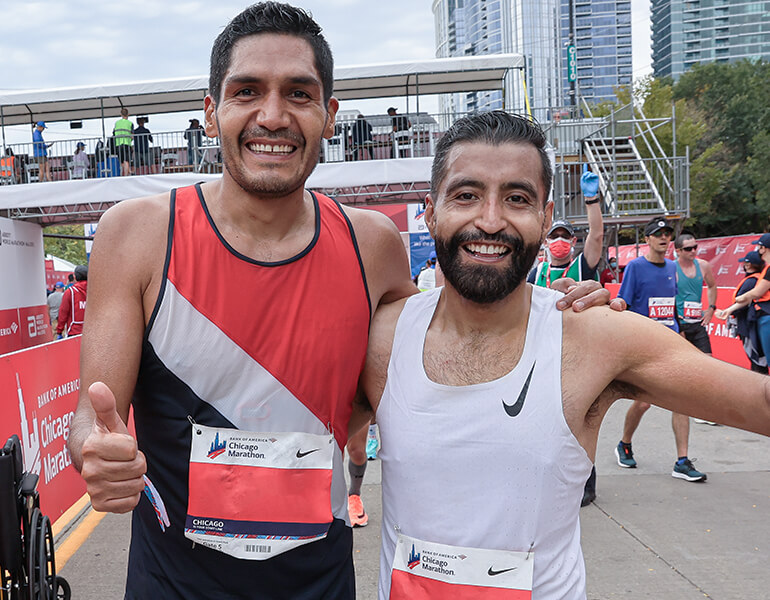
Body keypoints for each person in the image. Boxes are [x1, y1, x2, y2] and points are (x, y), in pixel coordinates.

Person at [66, 6, 610, 599]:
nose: (271, 116)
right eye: (247, 91)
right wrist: (95, 453)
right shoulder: (141, 234)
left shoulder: (371, 245)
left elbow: (443, 346)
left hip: (319, 586)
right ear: (210, 109)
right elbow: (92, 418)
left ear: (329, 116)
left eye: (298, 93)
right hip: (171, 586)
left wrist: (546, 311)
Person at [353, 111, 770, 600]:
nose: (490, 219)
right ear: (431, 211)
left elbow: (759, 401)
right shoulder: (382, 335)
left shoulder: (595, 336)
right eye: (466, 195)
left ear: (546, 217)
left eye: (517, 198)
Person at [528, 164, 603, 507]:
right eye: (553, 235)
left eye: (564, 236)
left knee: (582, 418)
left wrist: (592, 201)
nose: (559, 241)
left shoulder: (582, 268)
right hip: (543, 355)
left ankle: (587, 479)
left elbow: (598, 237)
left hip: (580, 352)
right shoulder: (537, 270)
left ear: (572, 242)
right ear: (545, 241)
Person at [612, 217, 707, 482]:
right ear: (647, 240)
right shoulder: (635, 267)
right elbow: (624, 299)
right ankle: (625, 443)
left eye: (667, 234)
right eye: (658, 234)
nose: (664, 238)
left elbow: (674, 302)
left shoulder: (673, 267)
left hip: (671, 345)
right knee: (643, 403)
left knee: (682, 400)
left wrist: (685, 327)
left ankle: (682, 461)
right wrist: (616, 307)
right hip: (643, 347)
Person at [674, 233, 718, 424]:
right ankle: (687, 408)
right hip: (679, 323)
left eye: (695, 247)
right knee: (685, 369)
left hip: (697, 322)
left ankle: (703, 412)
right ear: (678, 251)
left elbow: (712, 285)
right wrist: (676, 322)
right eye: (688, 249)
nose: (693, 251)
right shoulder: (671, 268)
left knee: (708, 366)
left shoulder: (703, 266)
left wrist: (711, 309)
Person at [716, 232, 770, 362]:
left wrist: (741, 297)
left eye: (760, 247)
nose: (759, 251)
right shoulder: (766, 269)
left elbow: (757, 293)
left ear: (764, 248)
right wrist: (729, 310)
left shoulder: (767, 271)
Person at [721, 251, 768, 374]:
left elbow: (744, 301)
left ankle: (761, 390)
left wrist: (730, 309)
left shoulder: (752, 281)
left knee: (757, 362)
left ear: (749, 265)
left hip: (750, 325)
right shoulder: (759, 279)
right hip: (753, 324)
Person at [56, 265, 88, 338]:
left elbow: (63, 312)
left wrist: (59, 331)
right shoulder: (95, 291)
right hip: (92, 331)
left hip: (74, 332)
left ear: (75, 277)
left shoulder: (70, 292)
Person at [113, 108, 134, 176]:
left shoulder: (117, 123)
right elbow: (132, 135)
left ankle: (127, 172)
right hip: (126, 143)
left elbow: (114, 133)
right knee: (126, 160)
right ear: (128, 114)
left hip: (118, 143)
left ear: (121, 114)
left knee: (122, 161)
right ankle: (126, 174)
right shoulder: (130, 123)